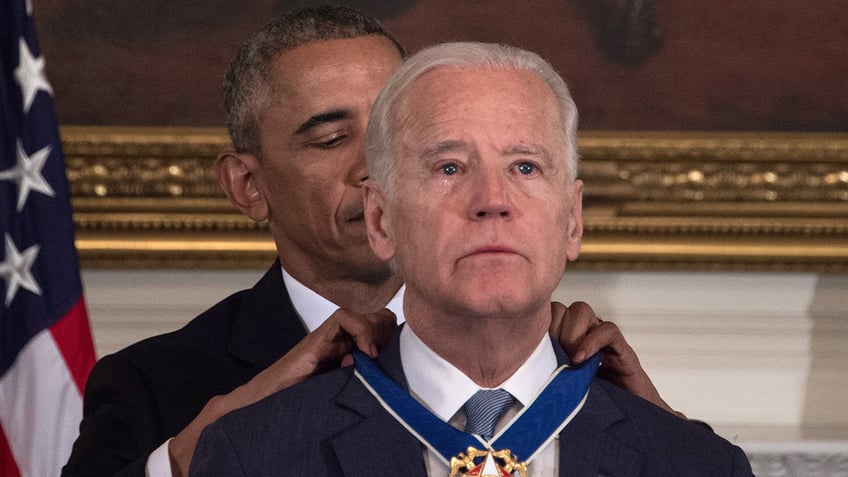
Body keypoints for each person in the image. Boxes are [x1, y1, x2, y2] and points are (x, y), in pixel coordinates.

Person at [63, 7, 683, 477]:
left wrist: (662, 427)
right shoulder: (153, 381)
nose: (374, 165)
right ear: (248, 185)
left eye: (400, 131)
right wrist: (199, 452)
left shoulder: (566, 364)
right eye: (331, 139)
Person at [189, 40, 753, 476]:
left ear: (572, 221)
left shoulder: (698, 465)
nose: (492, 202)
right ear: (382, 220)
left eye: (525, 167)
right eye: (449, 167)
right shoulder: (253, 455)